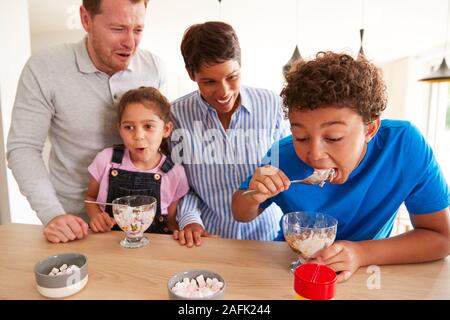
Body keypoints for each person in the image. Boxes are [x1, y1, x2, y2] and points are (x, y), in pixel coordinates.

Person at [232, 51, 450, 282]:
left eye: (334, 137)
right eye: (301, 137)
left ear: (370, 129)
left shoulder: (404, 147)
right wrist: (254, 194)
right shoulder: (282, 155)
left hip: (371, 272)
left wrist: (361, 253)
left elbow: (441, 238)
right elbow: (240, 212)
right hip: (293, 268)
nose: (314, 155)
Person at [6, 0, 167, 243]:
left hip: (143, 219)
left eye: (138, 30)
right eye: (117, 29)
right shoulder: (44, 67)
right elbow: (23, 148)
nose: (130, 43)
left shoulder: (154, 68)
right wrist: (53, 214)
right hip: (75, 223)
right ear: (86, 19)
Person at [170, 21, 290, 247]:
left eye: (232, 77)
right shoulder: (177, 115)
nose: (223, 92)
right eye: (209, 82)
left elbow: (286, 169)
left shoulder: (272, 105)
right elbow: (180, 184)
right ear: (190, 74)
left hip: (269, 240)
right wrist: (190, 220)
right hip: (209, 241)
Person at [85, 87, 189, 234]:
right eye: (129, 127)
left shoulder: (175, 173)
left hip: (153, 247)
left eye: (148, 126)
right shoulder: (106, 159)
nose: (138, 135)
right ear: (120, 129)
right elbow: (90, 198)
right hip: (108, 242)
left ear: (166, 129)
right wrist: (96, 217)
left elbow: (171, 222)